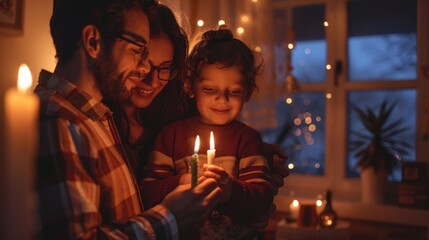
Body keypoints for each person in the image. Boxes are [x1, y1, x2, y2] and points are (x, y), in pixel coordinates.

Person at [34, 0, 222, 239]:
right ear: (93, 41)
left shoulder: (94, 116)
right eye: (138, 51)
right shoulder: (59, 121)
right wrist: (171, 217)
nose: (143, 68)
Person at [140, 26, 276, 239]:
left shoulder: (247, 140)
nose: (222, 100)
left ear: (248, 92)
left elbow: (262, 200)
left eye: (234, 92)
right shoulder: (171, 135)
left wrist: (231, 190)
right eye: (210, 90)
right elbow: (146, 194)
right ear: (190, 86)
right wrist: (182, 181)